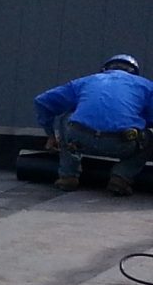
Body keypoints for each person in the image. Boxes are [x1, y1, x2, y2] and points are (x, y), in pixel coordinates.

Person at [33, 54, 153, 194]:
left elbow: (42, 101)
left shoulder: (84, 82)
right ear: (134, 72)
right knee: (148, 138)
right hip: (122, 143)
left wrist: (51, 135)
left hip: (80, 139)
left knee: (66, 118)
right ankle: (121, 178)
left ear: (104, 69)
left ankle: (68, 177)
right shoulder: (145, 86)